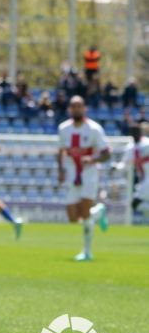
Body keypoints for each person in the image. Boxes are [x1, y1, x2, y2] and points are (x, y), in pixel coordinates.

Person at [57, 96, 111, 261]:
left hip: (89, 174)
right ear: (69, 109)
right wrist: (60, 170)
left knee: (85, 213)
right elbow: (60, 151)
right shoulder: (64, 129)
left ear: (84, 108)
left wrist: (92, 159)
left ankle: (87, 251)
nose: (76, 109)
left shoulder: (94, 129)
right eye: (73, 106)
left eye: (79, 106)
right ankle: (98, 212)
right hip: (72, 174)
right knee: (73, 217)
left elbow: (106, 153)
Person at [113, 124, 148, 215]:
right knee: (135, 204)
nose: (135, 133)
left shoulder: (147, 144)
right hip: (143, 179)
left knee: (135, 202)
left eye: (137, 131)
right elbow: (125, 163)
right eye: (133, 131)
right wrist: (116, 167)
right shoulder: (130, 148)